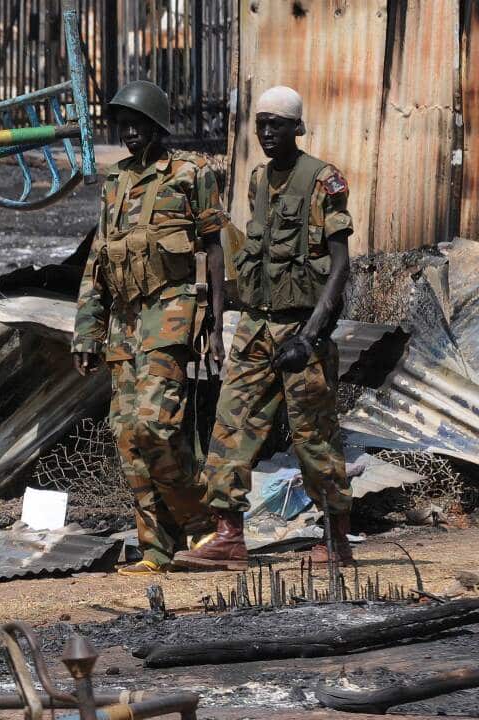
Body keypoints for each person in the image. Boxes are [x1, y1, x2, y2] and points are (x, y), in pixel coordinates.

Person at [174, 86, 354, 571]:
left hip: (301, 329)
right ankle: (229, 536)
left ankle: (336, 540)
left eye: (277, 124)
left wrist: (311, 336)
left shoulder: (322, 181)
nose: (268, 133)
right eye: (261, 124)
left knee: (313, 435)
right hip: (256, 327)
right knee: (230, 426)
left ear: (297, 127)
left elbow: (340, 266)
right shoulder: (257, 180)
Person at [71, 81, 227, 575]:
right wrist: (86, 331)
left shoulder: (191, 172)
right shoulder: (114, 181)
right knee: (127, 436)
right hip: (124, 322)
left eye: (139, 124)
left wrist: (217, 321)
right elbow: (98, 260)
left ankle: (202, 524)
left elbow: (216, 247)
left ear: (158, 125)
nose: (131, 133)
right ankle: (156, 548)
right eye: (124, 125)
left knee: (154, 424)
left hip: (171, 313)